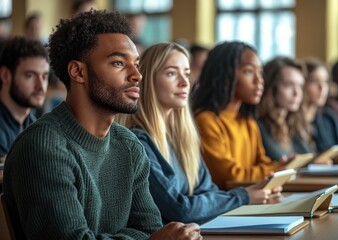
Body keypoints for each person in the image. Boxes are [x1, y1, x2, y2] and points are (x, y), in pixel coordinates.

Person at [3, 10, 201, 239]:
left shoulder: (129, 145)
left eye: (136, 63)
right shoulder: (44, 146)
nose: (137, 75)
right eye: (118, 63)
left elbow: (150, 229)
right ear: (78, 72)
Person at [120, 42, 281, 225]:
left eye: (187, 74)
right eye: (172, 73)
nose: (184, 82)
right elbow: (179, 210)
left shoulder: (183, 139)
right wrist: (243, 197)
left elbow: (210, 193)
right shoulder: (138, 142)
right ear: (148, 80)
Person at [192, 41, 287, 190]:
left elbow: (262, 163)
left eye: (260, 72)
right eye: (249, 71)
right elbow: (230, 177)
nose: (259, 80)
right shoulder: (206, 121)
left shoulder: (248, 122)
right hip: (227, 207)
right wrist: (278, 169)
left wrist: (280, 167)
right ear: (225, 74)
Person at [0, 36, 49, 190]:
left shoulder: (35, 126)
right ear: (6, 75)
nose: (40, 86)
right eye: (30, 75)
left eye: (44, 76)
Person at [257, 57, 313, 160]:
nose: (297, 93)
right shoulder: (258, 126)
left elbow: (308, 156)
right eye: (288, 85)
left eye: (300, 86)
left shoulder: (293, 123)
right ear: (271, 87)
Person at [301, 59, 338, 152]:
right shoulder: (291, 122)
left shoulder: (329, 118)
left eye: (325, 82)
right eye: (314, 81)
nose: (322, 88)